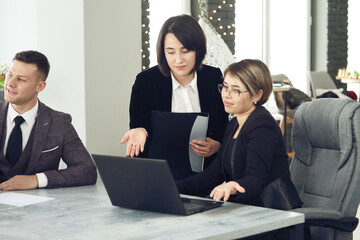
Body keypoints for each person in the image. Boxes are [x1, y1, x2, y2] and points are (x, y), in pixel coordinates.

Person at [176, 59, 299, 208]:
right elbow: (214, 174)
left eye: (236, 90)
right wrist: (173, 187)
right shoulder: (234, 123)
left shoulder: (263, 126)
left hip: (272, 213)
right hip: (247, 207)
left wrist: (232, 186)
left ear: (257, 95)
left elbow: (255, 179)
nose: (226, 95)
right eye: (225, 87)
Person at [120, 15, 228, 172]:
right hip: (159, 172)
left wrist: (217, 144)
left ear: (198, 48)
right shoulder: (146, 81)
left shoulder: (213, 77)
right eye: (170, 52)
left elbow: (222, 124)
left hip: (206, 173)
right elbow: (138, 124)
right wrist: (140, 130)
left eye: (185, 51)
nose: (178, 60)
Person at [0, 50, 97, 191]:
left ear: (40, 86)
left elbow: (87, 170)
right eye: (10, 75)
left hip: (40, 210)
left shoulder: (59, 123)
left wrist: (37, 180)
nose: (10, 83)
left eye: (21, 79)